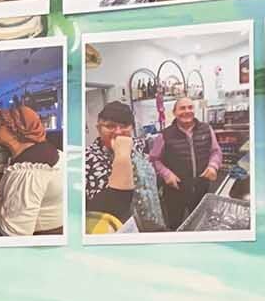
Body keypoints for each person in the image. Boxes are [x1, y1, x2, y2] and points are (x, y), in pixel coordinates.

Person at [83, 101, 164, 232]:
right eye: (110, 126)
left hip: (153, 224)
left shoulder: (138, 145)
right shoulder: (87, 159)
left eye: (125, 125)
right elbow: (114, 207)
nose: (118, 132)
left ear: (132, 127)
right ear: (98, 128)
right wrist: (121, 156)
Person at [147, 96, 222, 229]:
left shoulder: (206, 129)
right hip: (175, 190)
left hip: (201, 187)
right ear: (174, 112)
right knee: (175, 224)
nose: (187, 111)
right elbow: (154, 159)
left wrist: (213, 166)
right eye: (182, 108)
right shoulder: (165, 135)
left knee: (201, 222)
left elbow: (216, 152)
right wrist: (166, 174)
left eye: (190, 107)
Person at [0, 104, 62, 237]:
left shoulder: (29, 169)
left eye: (1, 124)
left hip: (44, 240)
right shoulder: (46, 152)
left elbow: (15, 231)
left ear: (15, 130)